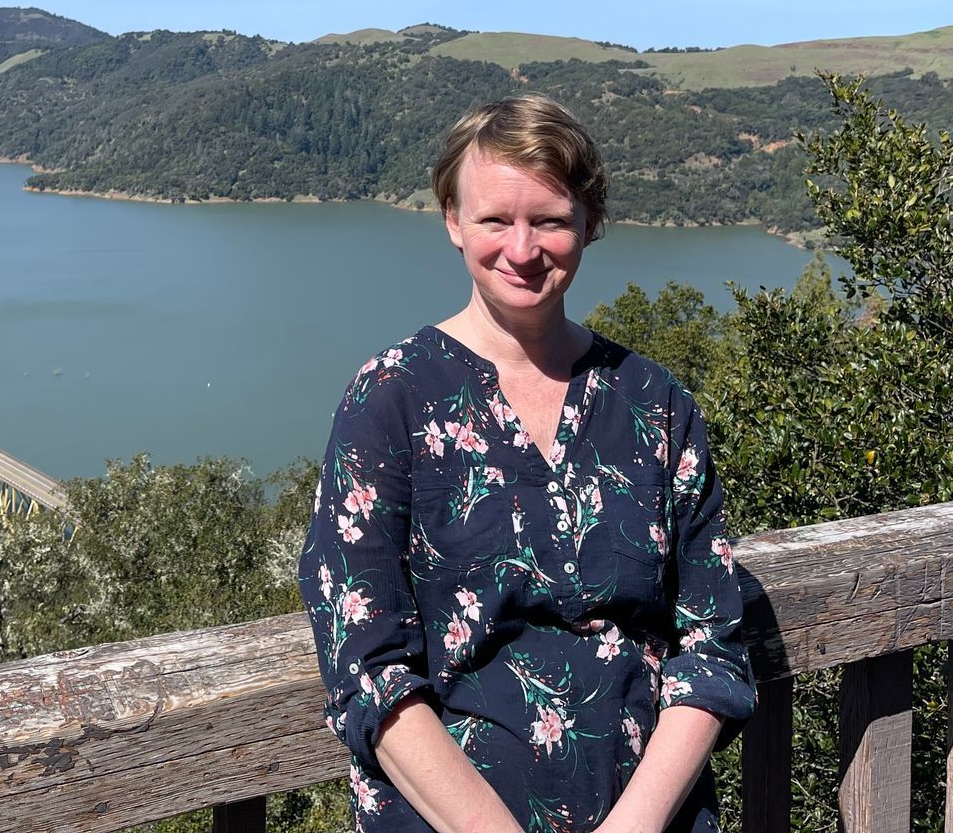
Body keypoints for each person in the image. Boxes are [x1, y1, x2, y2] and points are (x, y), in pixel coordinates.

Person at [297, 95, 755, 833]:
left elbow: (712, 646)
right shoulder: (390, 400)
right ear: (451, 220)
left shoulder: (653, 403)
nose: (521, 248)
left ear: (589, 224)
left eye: (549, 220)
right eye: (493, 220)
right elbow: (368, 670)